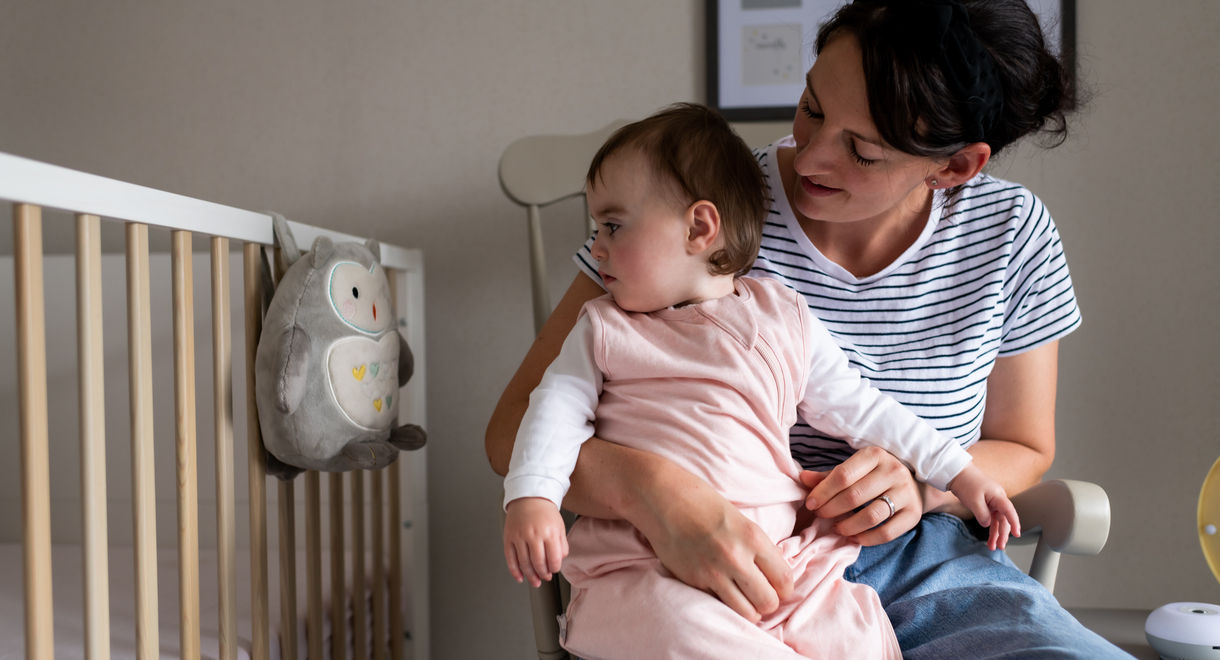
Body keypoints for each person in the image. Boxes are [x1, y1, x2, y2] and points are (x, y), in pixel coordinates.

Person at [487, 0, 1129, 657]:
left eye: (863, 150)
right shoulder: (701, 208)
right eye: (813, 107)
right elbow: (515, 429)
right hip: (699, 558)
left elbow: (1022, 444)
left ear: (955, 166)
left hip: (920, 560)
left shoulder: (1009, 234)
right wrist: (659, 494)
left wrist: (923, 484)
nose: (811, 155)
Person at [500, 102, 1018, 659]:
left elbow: (862, 410)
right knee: (675, 629)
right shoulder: (604, 327)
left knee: (851, 628)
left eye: (612, 225)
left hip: (780, 561)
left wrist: (957, 471)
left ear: (700, 227)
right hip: (640, 567)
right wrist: (531, 496)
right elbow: (550, 410)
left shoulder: (783, 315)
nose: (596, 246)